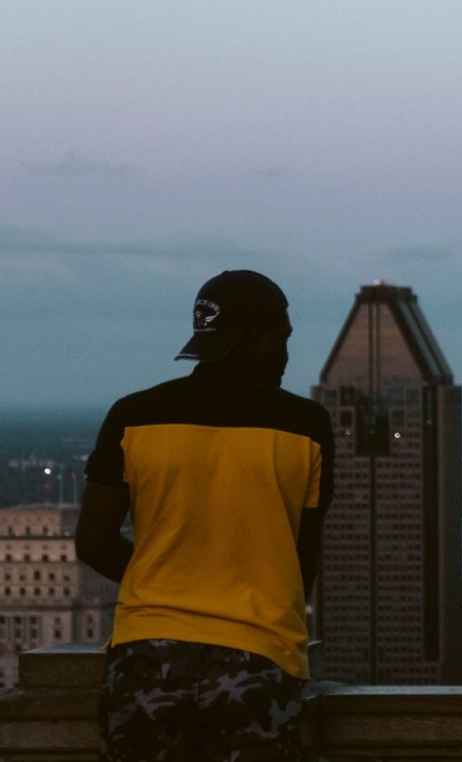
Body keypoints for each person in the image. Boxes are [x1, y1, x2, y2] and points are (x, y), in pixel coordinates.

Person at [75, 270, 333, 761]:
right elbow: (304, 558)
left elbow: (92, 542)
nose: (285, 354)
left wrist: (166, 581)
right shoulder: (306, 427)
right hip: (260, 653)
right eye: (281, 338)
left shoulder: (133, 417)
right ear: (254, 338)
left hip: (145, 653)